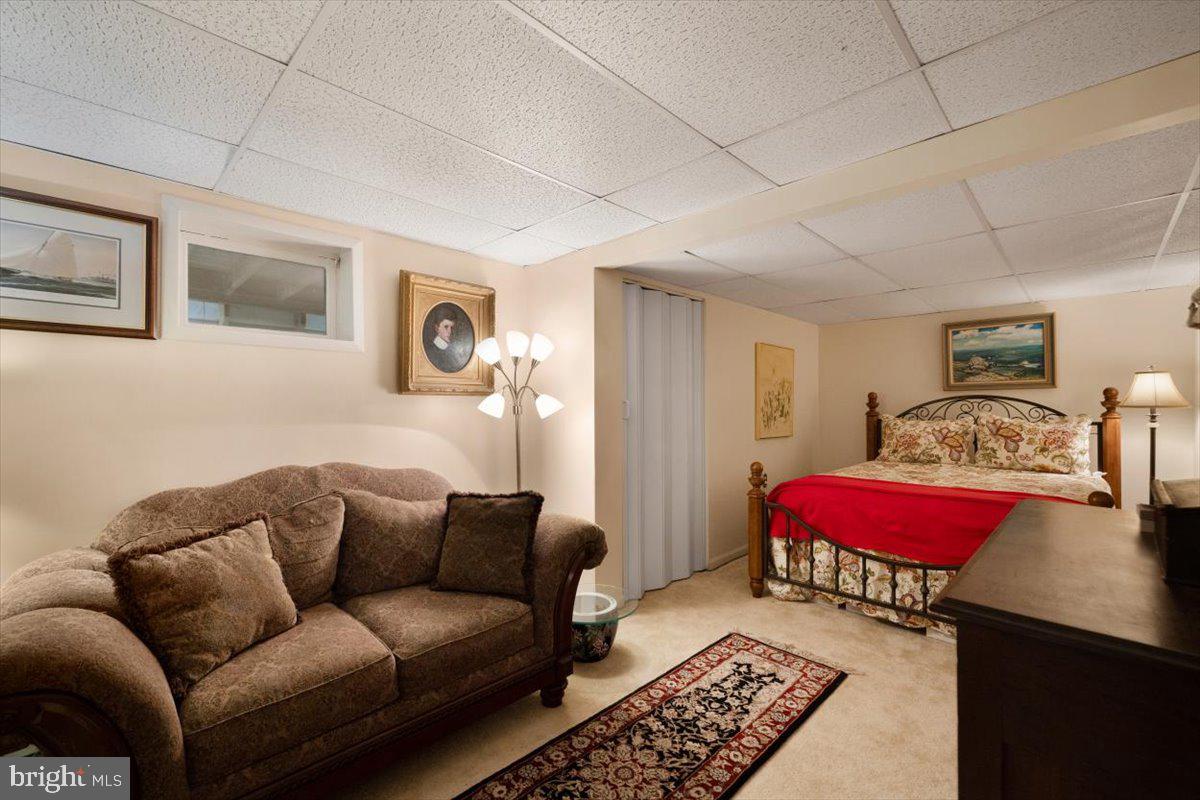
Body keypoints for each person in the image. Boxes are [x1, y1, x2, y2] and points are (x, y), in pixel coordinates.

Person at [424, 303, 472, 373]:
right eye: (446, 327)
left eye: (452, 327)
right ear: (437, 328)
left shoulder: (454, 353)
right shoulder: (430, 351)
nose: (450, 331)